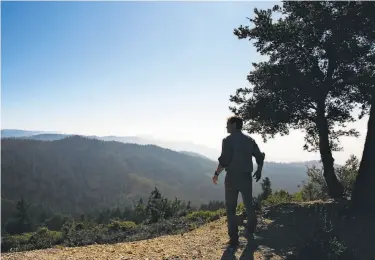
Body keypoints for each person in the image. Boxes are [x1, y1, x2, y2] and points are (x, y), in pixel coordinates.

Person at [212, 116, 265, 247]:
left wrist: (216, 174)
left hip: (232, 178)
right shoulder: (250, 140)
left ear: (234, 125)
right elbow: (260, 156)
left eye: (228, 124)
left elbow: (224, 160)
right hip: (246, 177)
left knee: (231, 208)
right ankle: (250, 231)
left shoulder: (227, 140)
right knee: (248, 205)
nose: (226, 127)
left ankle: (234, 238)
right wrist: (259, 170)